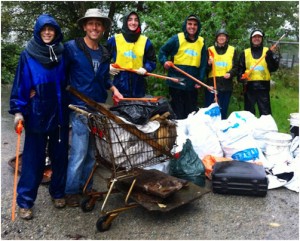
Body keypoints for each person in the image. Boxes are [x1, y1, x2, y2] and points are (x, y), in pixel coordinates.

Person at [9, 14, 69, 220]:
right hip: (37, 113)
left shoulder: (63, 53)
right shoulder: (28, 54)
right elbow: (21, 83)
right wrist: (18, 110)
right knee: (33, 161)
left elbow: (72, 79)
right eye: (43, 29)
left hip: (60, 113)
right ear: (37, 31)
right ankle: (25, 202)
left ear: (56, 32)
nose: (47, 32)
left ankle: (58, 193)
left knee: (60, 157)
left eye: (51, 29)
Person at [64, 8, 123, 207]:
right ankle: (71, 191)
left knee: (92, 153)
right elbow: (59, 73)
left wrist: (113, 88)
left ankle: (86, 186)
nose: (95, 27)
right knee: (79, 152)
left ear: (103, 28)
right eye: (91, 23)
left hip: (97, 108)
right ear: (84, 26)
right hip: (79, 107)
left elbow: (105, 78)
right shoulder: (72, 48)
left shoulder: (105, 52)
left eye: (98, 24)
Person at [159, 14, 207, 120]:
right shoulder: (177, 38)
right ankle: (178, 134)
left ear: (198, 27)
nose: (192, 27)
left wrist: (200, 79)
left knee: (191, 112)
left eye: (195, 24)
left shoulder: (201, 42)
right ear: (185, 25)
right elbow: (162, 51)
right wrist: (164, 61)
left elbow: (203, 63)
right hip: (176, 81)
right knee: (177, 111)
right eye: (189, 24)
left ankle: (189, 135)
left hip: (192, 83)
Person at [107, 11, 156, 98]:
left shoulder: (145, 41)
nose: (133, 23)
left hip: (138, 87)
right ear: (125, 21)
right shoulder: (114, 40)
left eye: (136, 20)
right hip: (119, 86)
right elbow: (102, 57)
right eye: (130, 20)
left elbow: (152, 61)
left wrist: (146, 68)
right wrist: (107, 66)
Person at [238, 29, 279, 116]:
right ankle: (249, 129)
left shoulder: (268, 51)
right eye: (254, 37)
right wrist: (241, 78)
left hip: (263, 87)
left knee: (265, 113)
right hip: (249, 87)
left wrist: (270, 57)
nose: (257, 38)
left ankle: (266, 129)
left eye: (259, 37)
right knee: (249, 114)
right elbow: (240, 70)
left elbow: (273, 68)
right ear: (251, 39)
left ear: (262, 39)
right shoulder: (245, 53)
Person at [205, 29, 238, 119]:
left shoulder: (232, 50)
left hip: (226, 84)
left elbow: (236, 67)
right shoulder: (209, 50)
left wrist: (230, 73)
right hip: (212, 84)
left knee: (223, 110)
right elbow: (204, 69)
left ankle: (222, 128)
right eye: (219, 36)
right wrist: (208, 63)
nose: (221, 38)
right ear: (216, 38)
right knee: (210, 109)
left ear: (227, 38)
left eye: (223, 36)